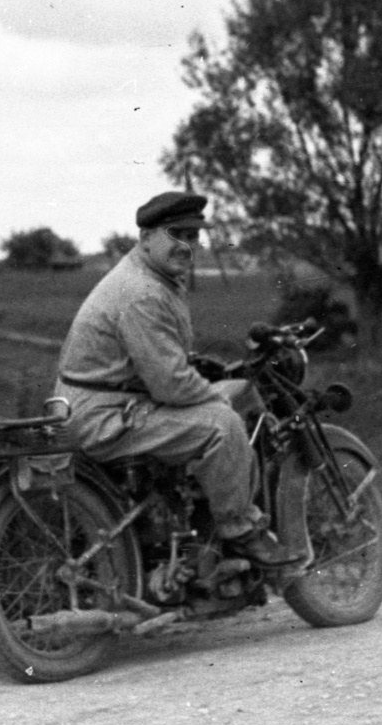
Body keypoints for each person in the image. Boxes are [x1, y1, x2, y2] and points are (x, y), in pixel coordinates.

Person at [53, 191, 294, 568]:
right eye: (176, 234)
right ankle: (240, 530)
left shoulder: (149, 276)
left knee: (230, 396)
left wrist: (197, 370)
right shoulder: (142, 292)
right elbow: (171, 386)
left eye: (194, 236)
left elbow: (156, 357)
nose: (187, 245)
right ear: (146, 237)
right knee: (224, 423)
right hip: (105, 416)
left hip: (102, 404)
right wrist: (214, 397)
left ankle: (203, 517)